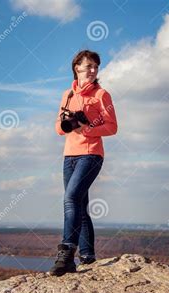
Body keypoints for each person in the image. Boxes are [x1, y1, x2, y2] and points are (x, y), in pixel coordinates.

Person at [50, 50, 118, 276]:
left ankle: (67, 253)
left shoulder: (101, 94)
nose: (92, 70)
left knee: (70, 199)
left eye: (95, 67)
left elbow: (112, 127)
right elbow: (59, 128)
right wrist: (69, 122)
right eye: (88, 66)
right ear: (76, 67)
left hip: (91, 154)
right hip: (69, 155)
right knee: (79, 206)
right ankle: (87, 257)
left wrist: (87, 128)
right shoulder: (67, 94)